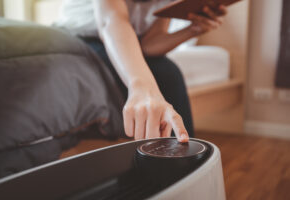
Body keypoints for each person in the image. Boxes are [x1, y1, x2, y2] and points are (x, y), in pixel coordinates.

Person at [55, 0, 227, 143]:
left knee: (169, 73)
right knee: (159, 75)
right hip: (81, 36)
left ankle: (179, 167)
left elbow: (148, 44)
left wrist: (193, 29)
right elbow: (111, 21)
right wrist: (141, 87)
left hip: (132, 40)